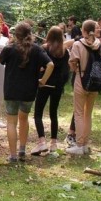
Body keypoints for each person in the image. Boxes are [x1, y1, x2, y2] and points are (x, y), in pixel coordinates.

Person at [0, 22, 53, 162]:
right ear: (29, 34)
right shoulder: (36, 49)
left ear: (16, 35)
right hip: (29, 91)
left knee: (11, 122)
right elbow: (50, 64)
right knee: (24, 119)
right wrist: (43, 81)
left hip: (12, 90)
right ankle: (22, 150)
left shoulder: (10, 48)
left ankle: (12, 156)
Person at [67, 20, 101, 155]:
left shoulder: (78, 44)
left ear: (83, 31)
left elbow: (72, 62)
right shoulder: (100, 46)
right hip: (95, 81)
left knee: (78, 113)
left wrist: (76, 68)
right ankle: (84, 144)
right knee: (88, 114)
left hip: (81, 78)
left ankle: (79, 145)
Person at [32, 25, 70, 155]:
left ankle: (42, 141)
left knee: (38, 113)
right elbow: (66, 71)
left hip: (44, 84)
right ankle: (54, 143)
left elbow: (39, 66)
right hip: (57, 86)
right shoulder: (65, 52)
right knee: (53, 113)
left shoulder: (44, 49)